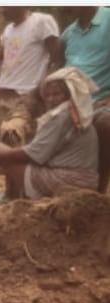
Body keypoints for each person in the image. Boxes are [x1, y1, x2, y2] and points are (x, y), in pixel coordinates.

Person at [0, 68, 100, 211]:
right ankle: (9, 200)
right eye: (48, 95)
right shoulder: (72, 112)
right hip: (80, 179)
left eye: (56, 94)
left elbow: (34, 155)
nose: (51, 99)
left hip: (69, 181)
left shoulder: (62, 116)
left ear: (69, 94)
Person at [59, 6, 110, 193]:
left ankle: (99, 191)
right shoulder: (68, 34)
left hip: (102, 101)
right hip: (72, 104)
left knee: (105, 124)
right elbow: (59, 67)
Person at [0, 8, 60, 148]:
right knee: (6, 145)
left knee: (11, 133)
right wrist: (4, 78)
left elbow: (57, 59)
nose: (1, 9)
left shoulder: (41, 22)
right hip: (5, 100)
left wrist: (38, 93)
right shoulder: (8, 30)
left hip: (26, 96)